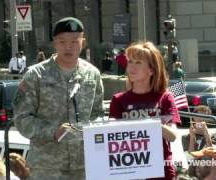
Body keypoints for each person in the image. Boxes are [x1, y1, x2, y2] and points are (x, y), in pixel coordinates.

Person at [12, 17, 104, 179]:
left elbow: (98, 115)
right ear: (54, 43)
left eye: (75, 41)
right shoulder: (36, 75)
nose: (68, 47)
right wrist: (53, 131)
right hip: (47, 167)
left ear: (83, 42)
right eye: (62, 42)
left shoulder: (92, 74)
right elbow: (22, 119)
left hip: (83, 166)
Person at [109, 41, 181, 180]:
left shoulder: (165, 97)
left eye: (138, 62)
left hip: (161, 171)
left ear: (151, 70)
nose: (131, 67)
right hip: (128, 170)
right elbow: (111, 138)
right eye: (130, 62)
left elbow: (172, 136)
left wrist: (149, 123)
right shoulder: (118, 100)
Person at [181, 105, 216, 180]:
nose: (201, 119)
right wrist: (192, 136)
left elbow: (212, 153)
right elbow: (190, 157)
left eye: (204, 117)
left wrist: (206, 134)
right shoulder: (186, 137)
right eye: (198, 116)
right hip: (194, 170)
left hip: (208, 169)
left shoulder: (214, 136)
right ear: (194, 118)